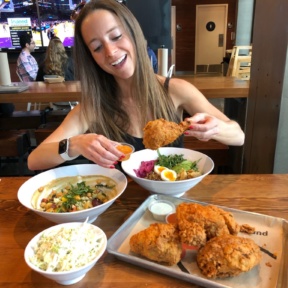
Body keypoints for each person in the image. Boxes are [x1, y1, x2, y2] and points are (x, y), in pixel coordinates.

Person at [28, 0, 244, 172]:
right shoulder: (94, 107)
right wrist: (74, 145)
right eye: (97, 47)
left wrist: (216, 128)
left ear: (134, 33)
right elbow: (34, 160)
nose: (111, 52)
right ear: (91, 57)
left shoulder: (176, 90)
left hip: (170, 205)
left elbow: (238, 135)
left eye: (116, 36)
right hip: (120, 213)